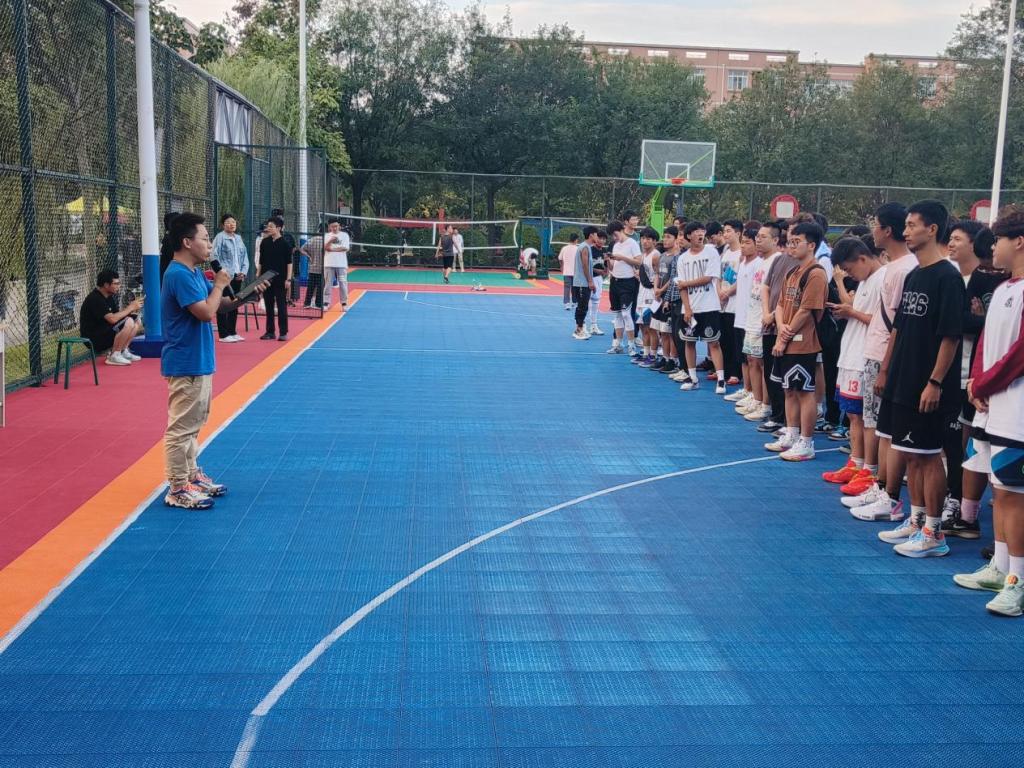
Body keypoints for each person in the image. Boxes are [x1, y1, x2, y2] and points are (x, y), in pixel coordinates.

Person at [876, 200, 965, 557]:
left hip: (927, 384)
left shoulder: (948, 277)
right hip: (903, 380)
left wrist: (935, 382)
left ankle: (934, 531)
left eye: (913, 225)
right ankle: (915, 521)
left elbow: (950, 336)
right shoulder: (915, 275)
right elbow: (899, 328)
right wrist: (887, 370)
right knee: (910, 454)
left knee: (928, 456)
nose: (906, 231)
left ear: (932, 229)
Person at [160, 213, 263, 509]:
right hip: (186, 361)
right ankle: (177, 486)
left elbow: (221, 305)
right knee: (181, 427)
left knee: (194, 422)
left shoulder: (193, 273)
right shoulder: (178, 274)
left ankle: (191, 474)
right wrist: (218, 284)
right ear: (186, 242)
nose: (209, 245)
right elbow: (205, 312)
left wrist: (247, 295)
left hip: (200, 359)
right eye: (205, 239)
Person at [956, 206, 1024, 615]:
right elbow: (986, 342)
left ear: (1019, 241)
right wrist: (975, 381)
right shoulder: (1002, 289)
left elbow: (1019, 354)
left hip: (1017, 410)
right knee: (1000, 491)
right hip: (992, 406)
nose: (992, 247)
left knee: (1014, 495)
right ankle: (1000, 567)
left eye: (998, 239)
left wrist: (985, 383)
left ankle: (1018, 580)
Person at [943, 223, 1009, 539]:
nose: (994, 252)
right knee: (972, 446)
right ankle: (965, 513)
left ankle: (1000, 540)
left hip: (995, 385)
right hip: (973, 380)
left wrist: (979, 320)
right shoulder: (966, 280)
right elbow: (962, 324)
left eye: (958, 239)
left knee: (997, 458)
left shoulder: (1004, 286)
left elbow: (1010, 345)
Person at [821, 237, 885, 486]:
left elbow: (884, 323)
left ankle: (870, 469)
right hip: (850, 353)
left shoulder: (884, 278)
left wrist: (852, 312)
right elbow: (859, 312)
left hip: (866, 356)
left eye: (849, 269)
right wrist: (847, 310)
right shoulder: (865, 280)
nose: (850, 274)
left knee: (867, 417)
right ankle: (856, 463)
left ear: (862, 258)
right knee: (853, 414)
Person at [765, 221, 828, 461]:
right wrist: (781, 329)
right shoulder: (792, 272)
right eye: (790, 241)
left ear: (811, 245)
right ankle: (791, 433)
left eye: (797, 242)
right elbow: (781, 304)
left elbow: (806, 311)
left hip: (804, 343)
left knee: (804, 391)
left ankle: (806, 441)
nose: (791, 246)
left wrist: (785, 335)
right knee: (788, 389)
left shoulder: (816, 274)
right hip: (787, 339)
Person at [675, 222, 727, 394]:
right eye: (696, 232)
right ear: (689, 236)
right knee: (689, 342)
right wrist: (687, 308)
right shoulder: (683, 258)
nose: (700, 234)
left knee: (713, 343)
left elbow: (708, 277)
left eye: (702, 231)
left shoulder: (711, 252)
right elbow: (681, 287)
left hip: (709, 306)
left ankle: (721, 379)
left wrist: (686, 283)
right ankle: (692, 377)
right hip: (691, 307)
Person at [758, 221, 793, 431]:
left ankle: (788, 421)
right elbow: (766, 287)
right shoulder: (779, 259)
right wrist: (766, 313)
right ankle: (776, 414)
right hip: (769, 325)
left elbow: (790, 298)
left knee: (784, 377)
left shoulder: (806, 265)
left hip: (785, 326)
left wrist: (773, 315)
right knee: (770, 372)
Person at [730, 227, 767, 417]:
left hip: (754, 318)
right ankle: (748, 390)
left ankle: (757, 396)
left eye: (747, 242)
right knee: (745, 357)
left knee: (756, 360)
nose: (743, 246)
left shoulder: (759, 264)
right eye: (742, 242)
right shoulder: (743, 262)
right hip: (741, 316)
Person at [79, 269, 143, 366]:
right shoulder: (95, 299)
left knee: (136, 319)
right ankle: (114, 355)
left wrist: (132, 310)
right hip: (94, 339)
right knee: (129, 321)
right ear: (106, 285)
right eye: (116, 284)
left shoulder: (109, 297)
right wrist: (130, 308)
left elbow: (118, 317)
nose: (118, 286)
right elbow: (112, 319)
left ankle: (123, 351)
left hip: (105, 332)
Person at [605, 220, 642, 355]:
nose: (614, 238)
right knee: (617, 314)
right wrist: (608, 260)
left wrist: (623, 258)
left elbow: (639, 261)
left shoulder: (632, 243)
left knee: (626, 313)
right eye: (612, 236)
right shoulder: (615, 245)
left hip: (628, 282)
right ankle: (618, 344)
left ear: (621, 230)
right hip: (615, 281)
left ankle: (631, 345)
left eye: (615, 234)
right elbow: (612, 266)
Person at [211, 213, 249, 342]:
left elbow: (244, 257)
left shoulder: (238, 238)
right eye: (228, 222)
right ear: (223, 225)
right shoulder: (220, 237)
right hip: (225, 277)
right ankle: (223, 334)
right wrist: (221, 272)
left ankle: (232, 331)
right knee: (223, 304)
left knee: (234, 303)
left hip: (237, 276)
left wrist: (243, 272)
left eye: (233, 222)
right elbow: (213, 256)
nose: (231, 224)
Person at [650, 225, 682, 375]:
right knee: (661, 330)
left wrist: (662, 290)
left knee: (669, 332)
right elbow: (657, 273)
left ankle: (673, 360)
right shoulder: (662, 256)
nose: (665, 239)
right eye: (664, 236)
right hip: (659, 297)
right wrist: (656, 288)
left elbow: (673, 278)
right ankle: (665, 357)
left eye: (669, 237)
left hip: (668, 297)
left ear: (676, 239)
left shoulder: (677, 257)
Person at [718, 219, 744, 385]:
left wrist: (728, 292)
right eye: (724, 231)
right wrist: (720, 292)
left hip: (735, 303)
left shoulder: (742, 253)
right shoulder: (725, 252)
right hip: (722, 303)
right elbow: (719, 276)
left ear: (738, 233)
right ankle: (725, 370)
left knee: (735, 340)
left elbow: (742, 278)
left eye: (729, 231)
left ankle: (736, 372)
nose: (726, 234)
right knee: (724, 339)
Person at [259, 216, 293, 341]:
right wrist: (258, 275)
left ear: (278, 228)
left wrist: (288, 279)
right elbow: (261, 260)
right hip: (266, 278)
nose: (268, 228)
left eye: (271, 226)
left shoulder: (285, 244)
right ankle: (270, 332)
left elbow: (289, 263)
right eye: (268, 226)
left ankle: (283, 332)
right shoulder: (264, 242)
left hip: (280, 279)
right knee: (268, 305)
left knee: (281, 305)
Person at [633, 227, 661, 365]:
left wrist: (657, 291)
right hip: (642, 293)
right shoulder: (643, 255)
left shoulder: (656, 256)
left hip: (651, 295)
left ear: (654, 241)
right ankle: (645, 353)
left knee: (651, 327)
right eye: (643, 238)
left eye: (648, 239)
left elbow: (658, 275)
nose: (645, 241)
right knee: (642, 326)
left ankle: (653, 355)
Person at [571, 226, 600, 339]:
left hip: (582, 282)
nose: (597, 237)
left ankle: (580, 328)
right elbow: (585, 265)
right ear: (591, 235)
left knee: (582, 307)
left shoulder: (586, 247)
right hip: (582, 283)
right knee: (582, 307)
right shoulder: (585, 247)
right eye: (596, 234)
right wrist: (590, 281)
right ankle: (578, 330)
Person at [323, 220, 351, 312]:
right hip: (328, 264)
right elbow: (325, 248)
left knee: (343, 283)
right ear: (329, 227)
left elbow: (345, 248)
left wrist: (332, 249)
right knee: (327, 284)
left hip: (341, 264)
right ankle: (326, 303)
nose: (334, 228)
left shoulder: (344, 235)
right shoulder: (327, 236)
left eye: (336, 226)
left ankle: (344, 303)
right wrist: (331, 240)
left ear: (339, 226)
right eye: (332, 226)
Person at [301, 226, 326, 309]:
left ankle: (307, 303)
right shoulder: (327, 240)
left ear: (318, 230)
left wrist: (309, 256)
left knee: (310, 287)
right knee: (320, 287)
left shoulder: (312, 240)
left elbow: (302, 249)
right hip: (323, 268)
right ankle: (318, 304)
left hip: (312, 268)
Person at [587, 236, 608, 336]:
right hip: (589, 277)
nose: (602, 240)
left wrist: (606, 270)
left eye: (604, 239)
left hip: (599, 279)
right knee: (585, 302)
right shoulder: (589, 250)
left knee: (596, 301)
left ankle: (593, 325)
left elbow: (606, 266)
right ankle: (581, 326)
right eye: (600, 238)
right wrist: (597, 271)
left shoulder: (604, 251)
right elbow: (585, 265)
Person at [558, 233, 579, 311]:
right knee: (575, 287)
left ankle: (567, 303)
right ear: (576, 240)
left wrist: (561, 266)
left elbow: (560, 258)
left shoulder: (564, 248)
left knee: (567, 287)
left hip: (566, 271)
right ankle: (574, 302)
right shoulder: (578, 249)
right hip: (576, 272)